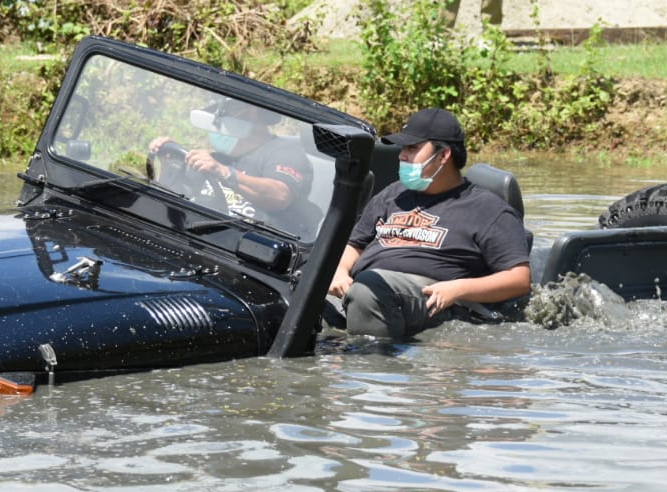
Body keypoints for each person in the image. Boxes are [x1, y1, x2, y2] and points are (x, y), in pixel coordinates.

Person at [327, 108, 531, 338]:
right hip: (367, 289)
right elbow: (355, 244)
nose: (401, 156)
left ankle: (371, 370)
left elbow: (519, 279)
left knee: (367, 291)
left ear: (443, 155)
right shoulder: (393, 193)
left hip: (432, 300)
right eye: (403, 148)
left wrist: (460, 288)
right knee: (302, 289)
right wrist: (339, 271)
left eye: (412, 148)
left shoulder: (489, 209)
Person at [149, 99, 316, 235]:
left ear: (251, 112)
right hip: (200, 235)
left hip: (254, 249)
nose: (217, 121)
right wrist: (168, 162)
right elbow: (177, 197)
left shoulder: (284, 151)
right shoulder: (217, 158)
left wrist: (225, 173)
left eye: (223, 113)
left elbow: (280, 196)